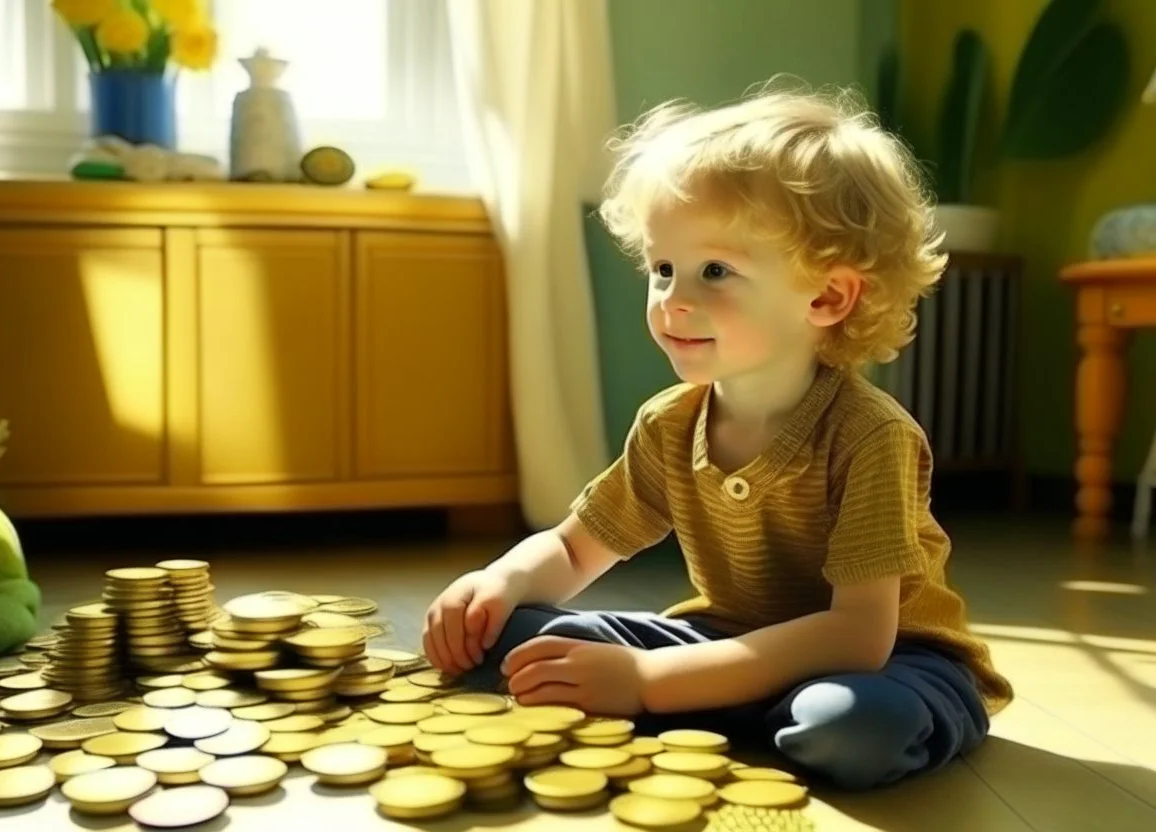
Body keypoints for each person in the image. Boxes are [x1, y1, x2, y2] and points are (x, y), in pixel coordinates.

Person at [420, 81, 1013, 791]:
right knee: (515, 639)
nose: (674, 298)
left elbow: (857, 633)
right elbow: (576, 547)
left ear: (826, 297)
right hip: (724, 639)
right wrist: (497, 582)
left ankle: (715, 700)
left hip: (888, 661)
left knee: (851, 727)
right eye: (663, 268)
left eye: (715, 271)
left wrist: (646, 680)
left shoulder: (870, 435)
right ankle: (729, 700)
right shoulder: (669, 423)